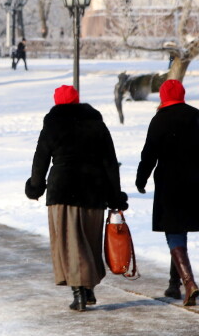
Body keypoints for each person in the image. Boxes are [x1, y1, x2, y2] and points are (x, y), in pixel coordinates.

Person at [25, 85, 128, 312]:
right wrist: (115, 195)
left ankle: (79, 293)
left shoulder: (53, 125)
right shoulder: (97, 125)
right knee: (89, 242)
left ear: (57, 102)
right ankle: (88, 290)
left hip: (63, 191)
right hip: (93, 191)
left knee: (70, 244)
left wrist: (35, 186)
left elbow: (40, 160)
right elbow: (110, 163)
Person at [136, 79, 199, 306]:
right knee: (180, 231)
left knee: (173, 232)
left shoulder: (160, 119)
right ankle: (173, 283)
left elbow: (149, 153)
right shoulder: (197, 118)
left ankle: (188, 283)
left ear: (162, 96)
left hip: (170, 183)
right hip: (195, 182)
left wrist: (141, 179)